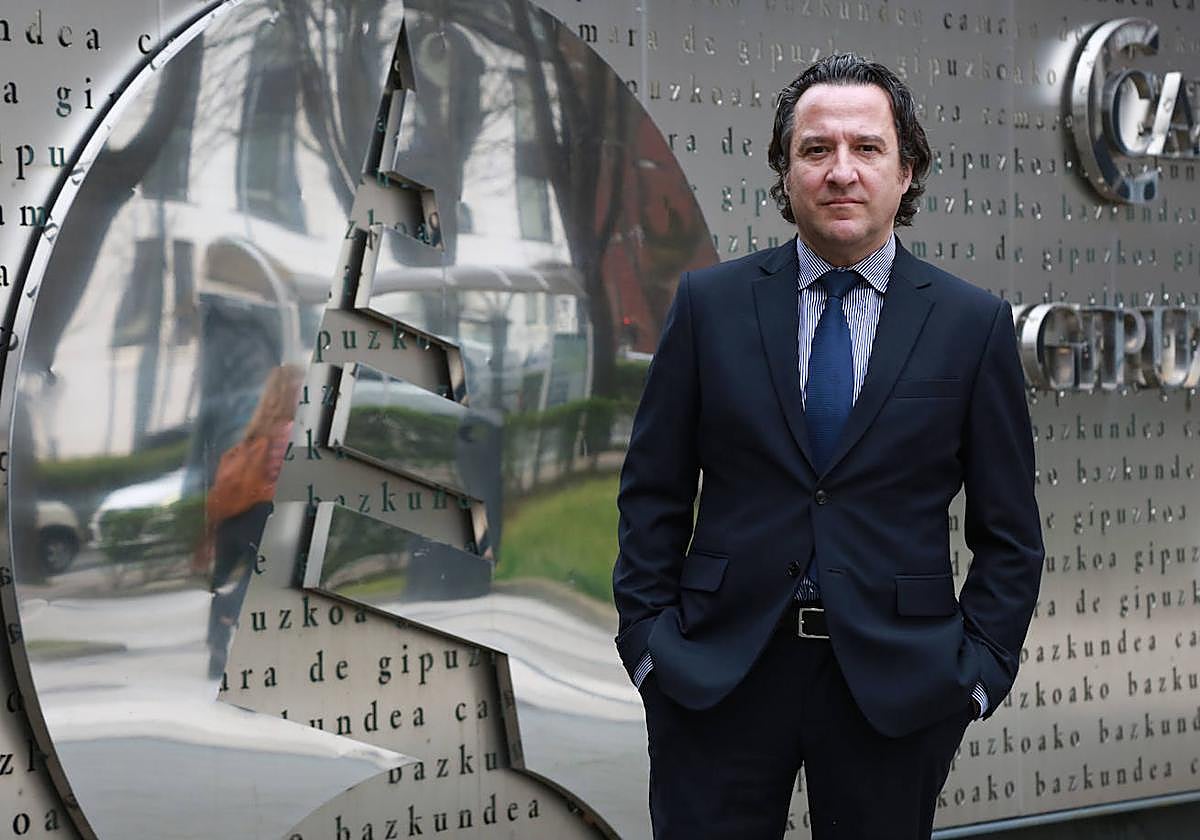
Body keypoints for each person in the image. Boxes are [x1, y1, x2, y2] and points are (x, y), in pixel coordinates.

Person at [612, 54, 1044, 839]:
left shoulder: (970, 324)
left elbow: (1010, 531)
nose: (841, 171)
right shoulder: (710, 305)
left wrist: (978, 674)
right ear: (785, 172)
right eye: (816, 149)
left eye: (867, 147)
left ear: (906, 171)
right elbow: (652, 492)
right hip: (716, 675)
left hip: (899, 684)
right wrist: (649, 649)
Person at [199, 364, 302, 679]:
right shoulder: (291, 430)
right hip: (260, 514)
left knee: (223, 583)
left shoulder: (253, 434)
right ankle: (235, 614)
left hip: (231, 519)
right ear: (292, 394)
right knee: (260, 579)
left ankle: (217, 652)